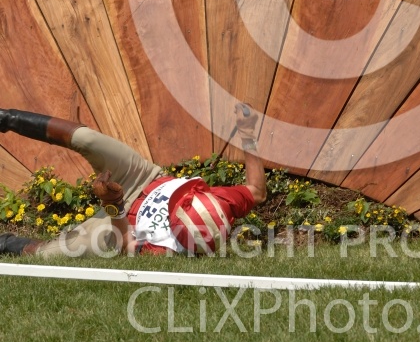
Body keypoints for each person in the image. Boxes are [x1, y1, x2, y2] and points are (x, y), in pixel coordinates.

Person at [0, 103, 266, 258]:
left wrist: (114, 203)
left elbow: (125, 243)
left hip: (117, 225)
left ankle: (5, 242)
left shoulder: (163, 251)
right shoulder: (221, 204)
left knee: (50, 255)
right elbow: (257, 191)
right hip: (142, 177)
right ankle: (6, 118)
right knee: (88, 140)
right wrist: (247, 132)